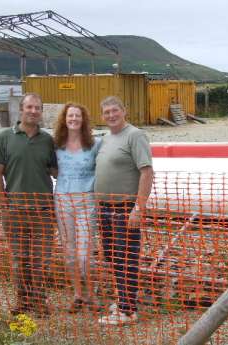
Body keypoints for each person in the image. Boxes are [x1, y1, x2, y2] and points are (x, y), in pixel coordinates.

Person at [0, 93, 57, 316]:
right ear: (21, 109)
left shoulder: (48, 140)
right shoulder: (4, 138)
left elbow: (56, 171)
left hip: (43, 213)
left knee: (40, 261)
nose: (33, 111)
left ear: (41, 112)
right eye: (29, 107)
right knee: (20, 260)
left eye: (37, 108)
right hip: (15, 211)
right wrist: (4, 205)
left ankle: (39, 301)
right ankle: (22, 301)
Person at [95, 96, 153, 325]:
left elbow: (147, 172)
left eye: (114, 110)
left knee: (124, 257)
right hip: (105, 208)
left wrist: (138, 207)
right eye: (106, 112)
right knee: (112, 256)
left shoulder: (135, 135)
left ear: (124, 111)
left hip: (124, 208)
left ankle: (127, 311)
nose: (111, 115)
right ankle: (124, 298)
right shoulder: (107, 138)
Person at [53, 102, 101, 313]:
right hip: (63, 200)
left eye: (77, 116)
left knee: (85, 254)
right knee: (69, 251)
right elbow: (52, 169)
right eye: (70, 116)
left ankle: (91, 293)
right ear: (65, 119)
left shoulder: (94, 144)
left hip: (86, 201)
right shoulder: (56, 145)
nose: (74, 119)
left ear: (83, 120)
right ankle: (78, 294)